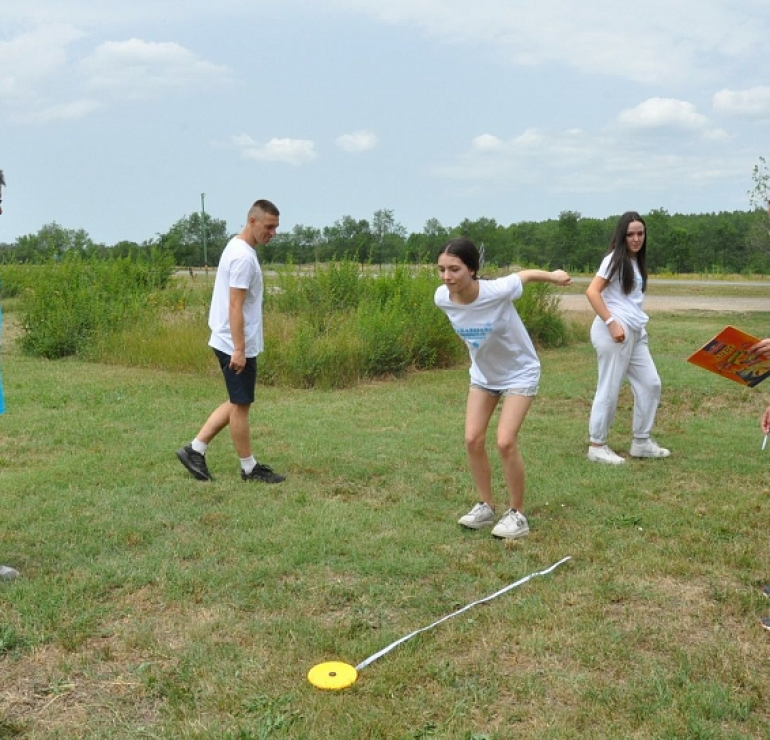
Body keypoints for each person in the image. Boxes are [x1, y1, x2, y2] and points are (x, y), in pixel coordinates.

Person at [435, 237, 572, 539]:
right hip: (484, 375)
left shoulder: (496, 290)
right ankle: (486, 506)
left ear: (472, 270)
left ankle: (517, 514)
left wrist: (554, 277)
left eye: (454, 269)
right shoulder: (442, 298)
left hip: (519, 371)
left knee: (505, 441)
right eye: (442, 269)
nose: (447, 277)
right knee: (472, 439)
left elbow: (525, 275)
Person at [176, 199, 285, 484]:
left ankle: (194, 449)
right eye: (269, 226)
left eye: (276, 227)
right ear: (252, 221)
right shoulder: (243, 257)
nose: (273, 233)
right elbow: (234, 306)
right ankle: (249, 468)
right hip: (233, 343)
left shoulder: (238, 246)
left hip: (230, 340)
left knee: (239, 400)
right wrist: (239, 349)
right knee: (240, 404)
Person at [585, 211, 670, 464]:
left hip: (634, 330)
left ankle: (641, 442)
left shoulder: (635, 262)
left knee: (650, 383)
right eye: (630, 234)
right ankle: (597, 446)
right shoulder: (614, 259)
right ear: (622, 236)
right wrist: (611, 323)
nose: (636, 239)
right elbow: (592, 292)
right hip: (614, 332)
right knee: (609, 388)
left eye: (640, 234)